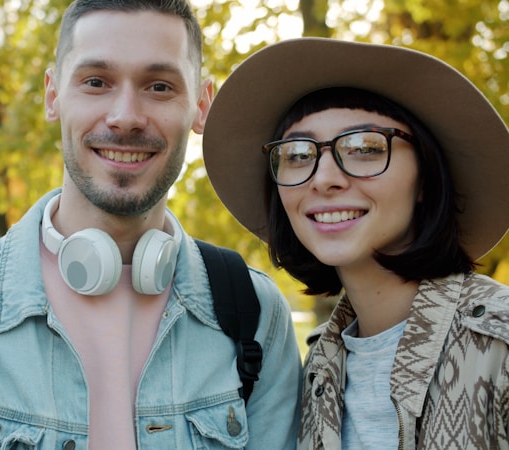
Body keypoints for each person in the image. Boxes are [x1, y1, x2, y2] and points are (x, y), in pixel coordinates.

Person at [0, 1, 302, 449]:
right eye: (95, 82)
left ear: (201, 105)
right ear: (53, 95)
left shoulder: (256, 318)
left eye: (159, 86)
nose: (125, 116)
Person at [202, 37, 509, 449]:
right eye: (296, 154)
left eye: (364, 147)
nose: (323, 177)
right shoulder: (316, 371)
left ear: (425, 178)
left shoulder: (498, 349)